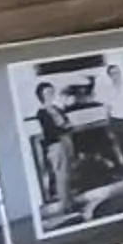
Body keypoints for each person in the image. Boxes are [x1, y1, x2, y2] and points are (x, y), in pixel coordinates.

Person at [30, 80, 76, 218]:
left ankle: (71, 203)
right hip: (55, 145)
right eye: (47, 93)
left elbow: (70, 125)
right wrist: (63, 126)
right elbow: (51, 131)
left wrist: (64, 126)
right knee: (61, 176)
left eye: (52, 91)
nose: (51, 94)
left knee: (67, 174)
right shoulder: (42, 112)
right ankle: (66, 207)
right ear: (41, 96)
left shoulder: (57, 109)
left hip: (66, 141)